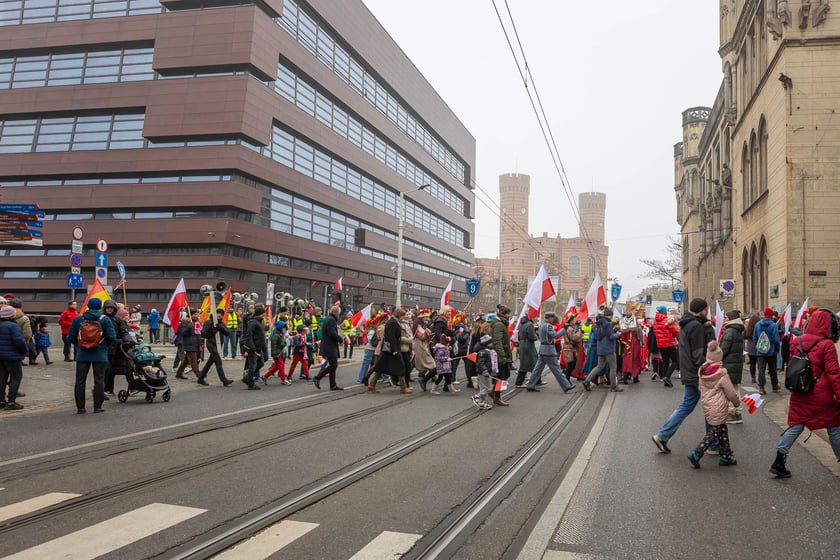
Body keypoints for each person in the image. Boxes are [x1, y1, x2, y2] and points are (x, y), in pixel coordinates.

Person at [770, 308, 840, 478]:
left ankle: (779, 459)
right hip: (821, 394)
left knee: (796, 424)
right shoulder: (827, 344)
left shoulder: (798, 340)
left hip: (800, 390)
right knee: (834, 426)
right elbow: (833, 374)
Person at [652, 298, 715, 453]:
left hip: (688, 371)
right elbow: (698, 353)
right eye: (706, 308)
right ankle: (713, 444)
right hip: (697, 372)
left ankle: (662, 436)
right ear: (702, 310)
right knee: (711, 406)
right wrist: (707, 370)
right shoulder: (696, 326)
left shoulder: (687, 324)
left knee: (686, 405)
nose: (707, 311)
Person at [688, 341, 740, 468]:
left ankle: (725, 455)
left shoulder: (702, 371)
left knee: (722, 430)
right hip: (719, 407)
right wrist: (736, 403)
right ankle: (696, 453)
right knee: (714, 432)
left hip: (707, 405)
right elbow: (731, 393)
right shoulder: (722, 374)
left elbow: (701, 388)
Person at [68, 298, 117, 414]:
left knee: (80, 381)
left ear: (88, 306)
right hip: (100, 354)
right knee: (99, 381)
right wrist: (103, 346)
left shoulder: (78, 319)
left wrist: (81, 345)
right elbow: (112, 337)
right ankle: (97, 407)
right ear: (100, 307)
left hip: (82, 355)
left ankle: (80, 408)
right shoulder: (104, 320)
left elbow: (70, 337)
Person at [528, 311, 575, 393]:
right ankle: (566, 386)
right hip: (549, 350)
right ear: (550, 317)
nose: (553, 319)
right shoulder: (548, 326)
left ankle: (530, 385)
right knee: (556, 370)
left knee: (537, 369)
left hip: (543, 349)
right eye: (553, 318)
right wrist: (564, 328)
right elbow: (555, 335)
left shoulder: (542, 324)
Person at [583, 309, 623, 392]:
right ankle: (613, 386)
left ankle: (587, 380)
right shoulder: (607, 324)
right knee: (613, 367)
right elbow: (611, 336)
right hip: (609, 349)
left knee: (599, 366)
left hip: (600, 348)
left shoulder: (597, 324)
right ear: (610, 315)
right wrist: (618, 334)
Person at [368, 310, 405, 393]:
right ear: (399, 315)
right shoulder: (393, 323)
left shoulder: (392, 321)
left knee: (380, 367)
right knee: (400, 366)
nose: (403, 317)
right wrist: (394, 349)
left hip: (387, 349)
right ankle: (403, 387)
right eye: (403, 316)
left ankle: (371, 384)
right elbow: (391, 336)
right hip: (391, 349)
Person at [103, 299, 134, 397]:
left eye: (111, 308)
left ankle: (132, 387)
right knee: (107, 370)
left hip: (118, 349)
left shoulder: (118, 319)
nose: (109, 309)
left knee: (125, 367)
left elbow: (124, 332)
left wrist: (128, 340)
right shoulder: (101, 319)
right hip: (105, 348)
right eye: (108, 307)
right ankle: (107, 389)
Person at [719, 310, 745, 424]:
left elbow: (724, 349)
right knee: (734, 388)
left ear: (730, 318)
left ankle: (731, 412)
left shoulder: (729, 331)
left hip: (729, 363)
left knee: (729, 389)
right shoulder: (738, 330)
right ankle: (737, 412)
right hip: (736, 363)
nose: (724, 319)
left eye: (726, 317)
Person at [0, 305, 28, 411]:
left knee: (2, 378)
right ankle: (11, 402)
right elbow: (20, 341)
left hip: (1, 356)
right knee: (16, 377)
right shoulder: (13, 326)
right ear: (10, 315)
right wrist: (24, 351)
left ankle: (1, 400)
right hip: (12, 356)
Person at [199, 308, 235, 386]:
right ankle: (224, 380)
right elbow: (204, 334)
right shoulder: (208, 322)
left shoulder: (221, 323)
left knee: (210, 362)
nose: (219, 315)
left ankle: (200, 377)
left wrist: (221, 328)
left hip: (218, 345)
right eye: (218, 313)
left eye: (221, 314)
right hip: (211, 344)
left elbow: (228, 333)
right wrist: (214, 330)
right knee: (218, 361)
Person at [314, 305, 344, 391]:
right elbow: (332, 333)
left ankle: (333, 385)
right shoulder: (331, 320)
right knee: (334, 365)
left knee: (333, 365)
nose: (339, 315)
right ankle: (318, 377)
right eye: (339, 313)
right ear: (336, 312)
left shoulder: (328, 318)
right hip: (329, 346)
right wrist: (340, 339)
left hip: (328, 345)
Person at [753, 307, 782, 395]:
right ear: (771, 315)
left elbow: (755, 338)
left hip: (760, 352)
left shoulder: (757, 324)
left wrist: (758, 347)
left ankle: (761, 387)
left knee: (761, 369)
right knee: (772, 369)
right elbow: (776, 339)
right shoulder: (773, 325)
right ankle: (774, 385)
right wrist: (777, 349)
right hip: (771, 351)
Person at [489, 305, 513, 406]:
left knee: (505, 375)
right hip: (501, 354)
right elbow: (497, 341)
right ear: (504, 314)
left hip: (503, 352)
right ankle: (496, 397)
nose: (509, 315)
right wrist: (502, 355)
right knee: (501, 377)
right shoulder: (499, 324)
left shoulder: (501, 323)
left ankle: (493, 392)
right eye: (508, 314)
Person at [241, 306, 267, 389]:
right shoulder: (253, 322)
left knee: (261, 363)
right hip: (252, 347)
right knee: (253, 365)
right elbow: (249, 335)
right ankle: (250, 383)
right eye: (263, 313)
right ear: (260, 314)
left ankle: (247, 378)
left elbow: (260, 334)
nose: (265, 315)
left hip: (258, 347)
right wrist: (252, 347)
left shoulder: (260, 322)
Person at [653, 305, 679, 386]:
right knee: (675, 361)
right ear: (664, 312)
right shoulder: (667, 321)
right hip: (669, 344)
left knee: (665, 362)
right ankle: (667, 377)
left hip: (660, 345)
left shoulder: (655, 322)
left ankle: (665, 379)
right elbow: (675, 332)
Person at [471, 334, 497, 410]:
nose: (492, 343)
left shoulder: (489, 351)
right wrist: (485, 370)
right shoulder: (483, 352)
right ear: (487, 344)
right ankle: (477, 397)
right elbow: (480, 363)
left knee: (483, 388)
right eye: (491, 342)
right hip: (484, 373)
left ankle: (482, 402)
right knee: (488, 388)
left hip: (485, 372)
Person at [174, 310, 201, 379]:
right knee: (193, 360)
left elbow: (199, 333)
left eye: (197, 314)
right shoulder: (184, 323)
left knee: (186, 360)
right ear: (190, 315)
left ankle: (179, 373)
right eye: (195, 314)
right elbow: (183, 333)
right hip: (188, 343)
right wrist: (189, 327)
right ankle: (199, 375)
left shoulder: (197, 322)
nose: (196, 316)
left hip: (195, 343)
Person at [514, 314, 538, 388]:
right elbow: (531, 337)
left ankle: (538, 380)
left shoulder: (522, 324)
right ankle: (519, 382)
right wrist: (536, 336)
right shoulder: (530, 325)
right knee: (532, 363)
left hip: (522, 344)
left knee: (527, 363)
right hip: (528, 345)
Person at [9, 299, 33, 366]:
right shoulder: (24, 318)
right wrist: (24, 344)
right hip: (17, 346)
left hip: (4, 348)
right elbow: (27, 334)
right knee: (16, 373)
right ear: (21, 306)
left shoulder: (5, 316)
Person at [562, 315, 582, 381]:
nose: (575, 321)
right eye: (574, 320)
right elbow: (574, 338)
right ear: (571, 321)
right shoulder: (570, 329)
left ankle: (567, 379)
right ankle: (567, 379)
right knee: (572, 364)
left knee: (571, 364)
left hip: (569, 348)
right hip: (571, 349)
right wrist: (580, 333)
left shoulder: (567, 328)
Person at [744, 311, 760, 383]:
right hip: (758, 346)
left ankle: (753, 377)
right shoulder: (759, 326)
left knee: (752, 363)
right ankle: (760, 376)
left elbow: (745, 336)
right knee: (760, 362)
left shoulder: (748, 327)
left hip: (750, 346)